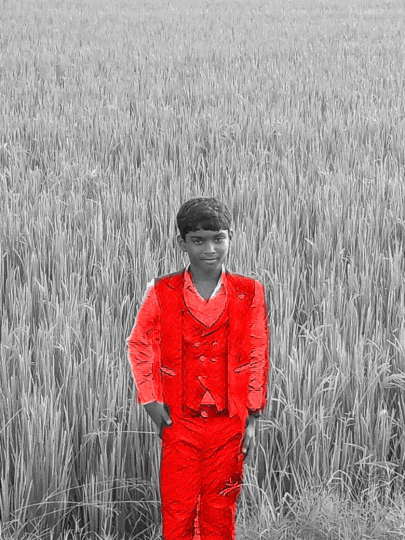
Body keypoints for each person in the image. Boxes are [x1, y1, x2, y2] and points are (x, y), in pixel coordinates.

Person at [127, 197, 269, 540]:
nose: (209, 249)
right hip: (180, 420)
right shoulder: (162, 290)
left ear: (230, 237)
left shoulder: (249, 291)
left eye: (218, 239)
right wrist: (150, 402)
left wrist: (252, 415)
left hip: (229, 421)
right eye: (198, 240)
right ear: (182, 243)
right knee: (178, 510)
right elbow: (139, 343)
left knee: (221, 511)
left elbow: (257, 351)